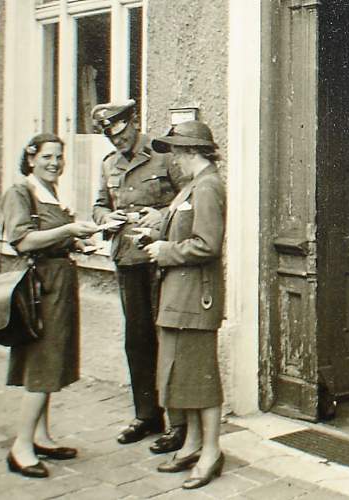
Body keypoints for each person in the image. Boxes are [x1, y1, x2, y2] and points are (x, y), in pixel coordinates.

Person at [91, 99, 187, 452]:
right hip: (129, 258)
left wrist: (159, 217)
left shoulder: (162, 154)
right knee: (137, 339)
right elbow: (99, 204)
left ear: (132, 122)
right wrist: (105, 220)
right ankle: (146, 415)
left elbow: (185, 200)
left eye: (117, 131)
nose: (114, 140)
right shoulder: (108, 164)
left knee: (168, 338)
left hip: (161, 260)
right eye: (107, 135)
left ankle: (178, 422)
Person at [2, 133, 99, 478]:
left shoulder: (50, 194)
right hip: (41, 288)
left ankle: (40, 436)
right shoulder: (21, 192)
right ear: (30, 159)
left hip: (58, 284)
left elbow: (54, 236)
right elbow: (23, 240)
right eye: (47, 157)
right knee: (43, 364)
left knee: (53, 360)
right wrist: (69, 229)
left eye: (59, 157)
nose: (54, 163)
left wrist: (76, 242)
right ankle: (21, 446)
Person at [143, 120, 226, 489]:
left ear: (192, 151)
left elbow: (207, 244)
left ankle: (211, 451)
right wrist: (156, 231)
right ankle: (193, 442)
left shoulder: (208, 187)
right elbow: (182, 230)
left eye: (177, 150)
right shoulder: (192, 186)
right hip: (179, 295)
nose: (173, 158)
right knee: (183, 374)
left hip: (196, 296)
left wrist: (165, 251)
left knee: (201, 378)